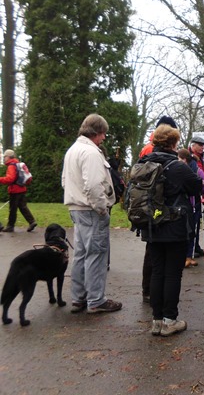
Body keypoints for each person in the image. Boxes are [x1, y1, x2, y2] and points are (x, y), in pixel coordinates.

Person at [140, 125, 203, 336]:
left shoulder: (143, 163)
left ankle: (156, 321)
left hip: (151, 224)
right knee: (173, 273)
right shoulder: (178, 166)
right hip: (175, 226)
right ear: (174, 143)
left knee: (157, 271)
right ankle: (170, 320)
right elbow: (197, 186)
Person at [62, 114, 121, 314]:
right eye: (103, 134)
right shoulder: (91, 153)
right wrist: (102, 208)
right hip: (91, 209)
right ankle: (96, 300)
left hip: (76, 208)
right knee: (96, 253)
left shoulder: (72, 151)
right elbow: (94, 185)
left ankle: (79, 297)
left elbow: (65, 181)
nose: (104, 138)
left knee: (81, 252)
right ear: (96, 132)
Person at [0, 150, 37, 232]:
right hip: (22, 189)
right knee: (23, 207)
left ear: (9, 157)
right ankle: (32, 221)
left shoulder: (11, 166)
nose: (4, 158)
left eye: (5, 157)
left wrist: (0, 179)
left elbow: (10, 179)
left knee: (13, 209)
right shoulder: (17, 164)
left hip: (15, 190)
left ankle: (10, 226)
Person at [189, 135, 204, 258]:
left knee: (197, 223)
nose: (202, 147)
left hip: (200, 194)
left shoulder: (200, 158)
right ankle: (190, 250)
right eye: (200, 145)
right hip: (194, 195)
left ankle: (196, 246)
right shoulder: (191, 159)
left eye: (203, 145)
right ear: (193, 145)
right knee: (193, 224)